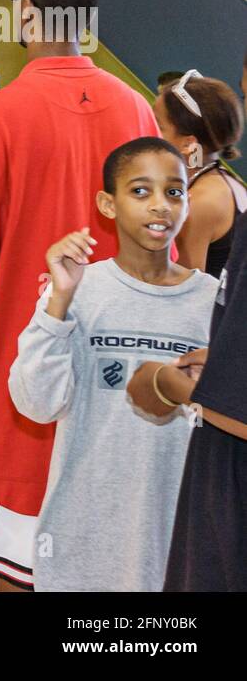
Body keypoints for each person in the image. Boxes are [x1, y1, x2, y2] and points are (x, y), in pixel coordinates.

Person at [0, 0, 162, 591]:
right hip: (115, 362)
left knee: (16, 558)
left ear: (26, 10)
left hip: (16, 367)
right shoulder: (137, 111)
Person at [8, 138, 216, 591]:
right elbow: (36, 404)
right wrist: (58, 302)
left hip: (179, 543)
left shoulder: (213, 303)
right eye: (140, 191)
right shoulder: (78, 290)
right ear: (108, 202)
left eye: (174, 192)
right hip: (82, 542)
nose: (160, 206)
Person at [135, 51, 247, 592]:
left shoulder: (202, 199)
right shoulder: (225, 182)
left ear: (185, 142)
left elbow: (188, 290)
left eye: (158, 126)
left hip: (211, 370)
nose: (151, 136)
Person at [153, 69, 246, 279]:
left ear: (188, 143)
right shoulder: (221, 180)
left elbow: (183, 293)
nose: (148, 129)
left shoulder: (199, 203)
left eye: (158, 125)